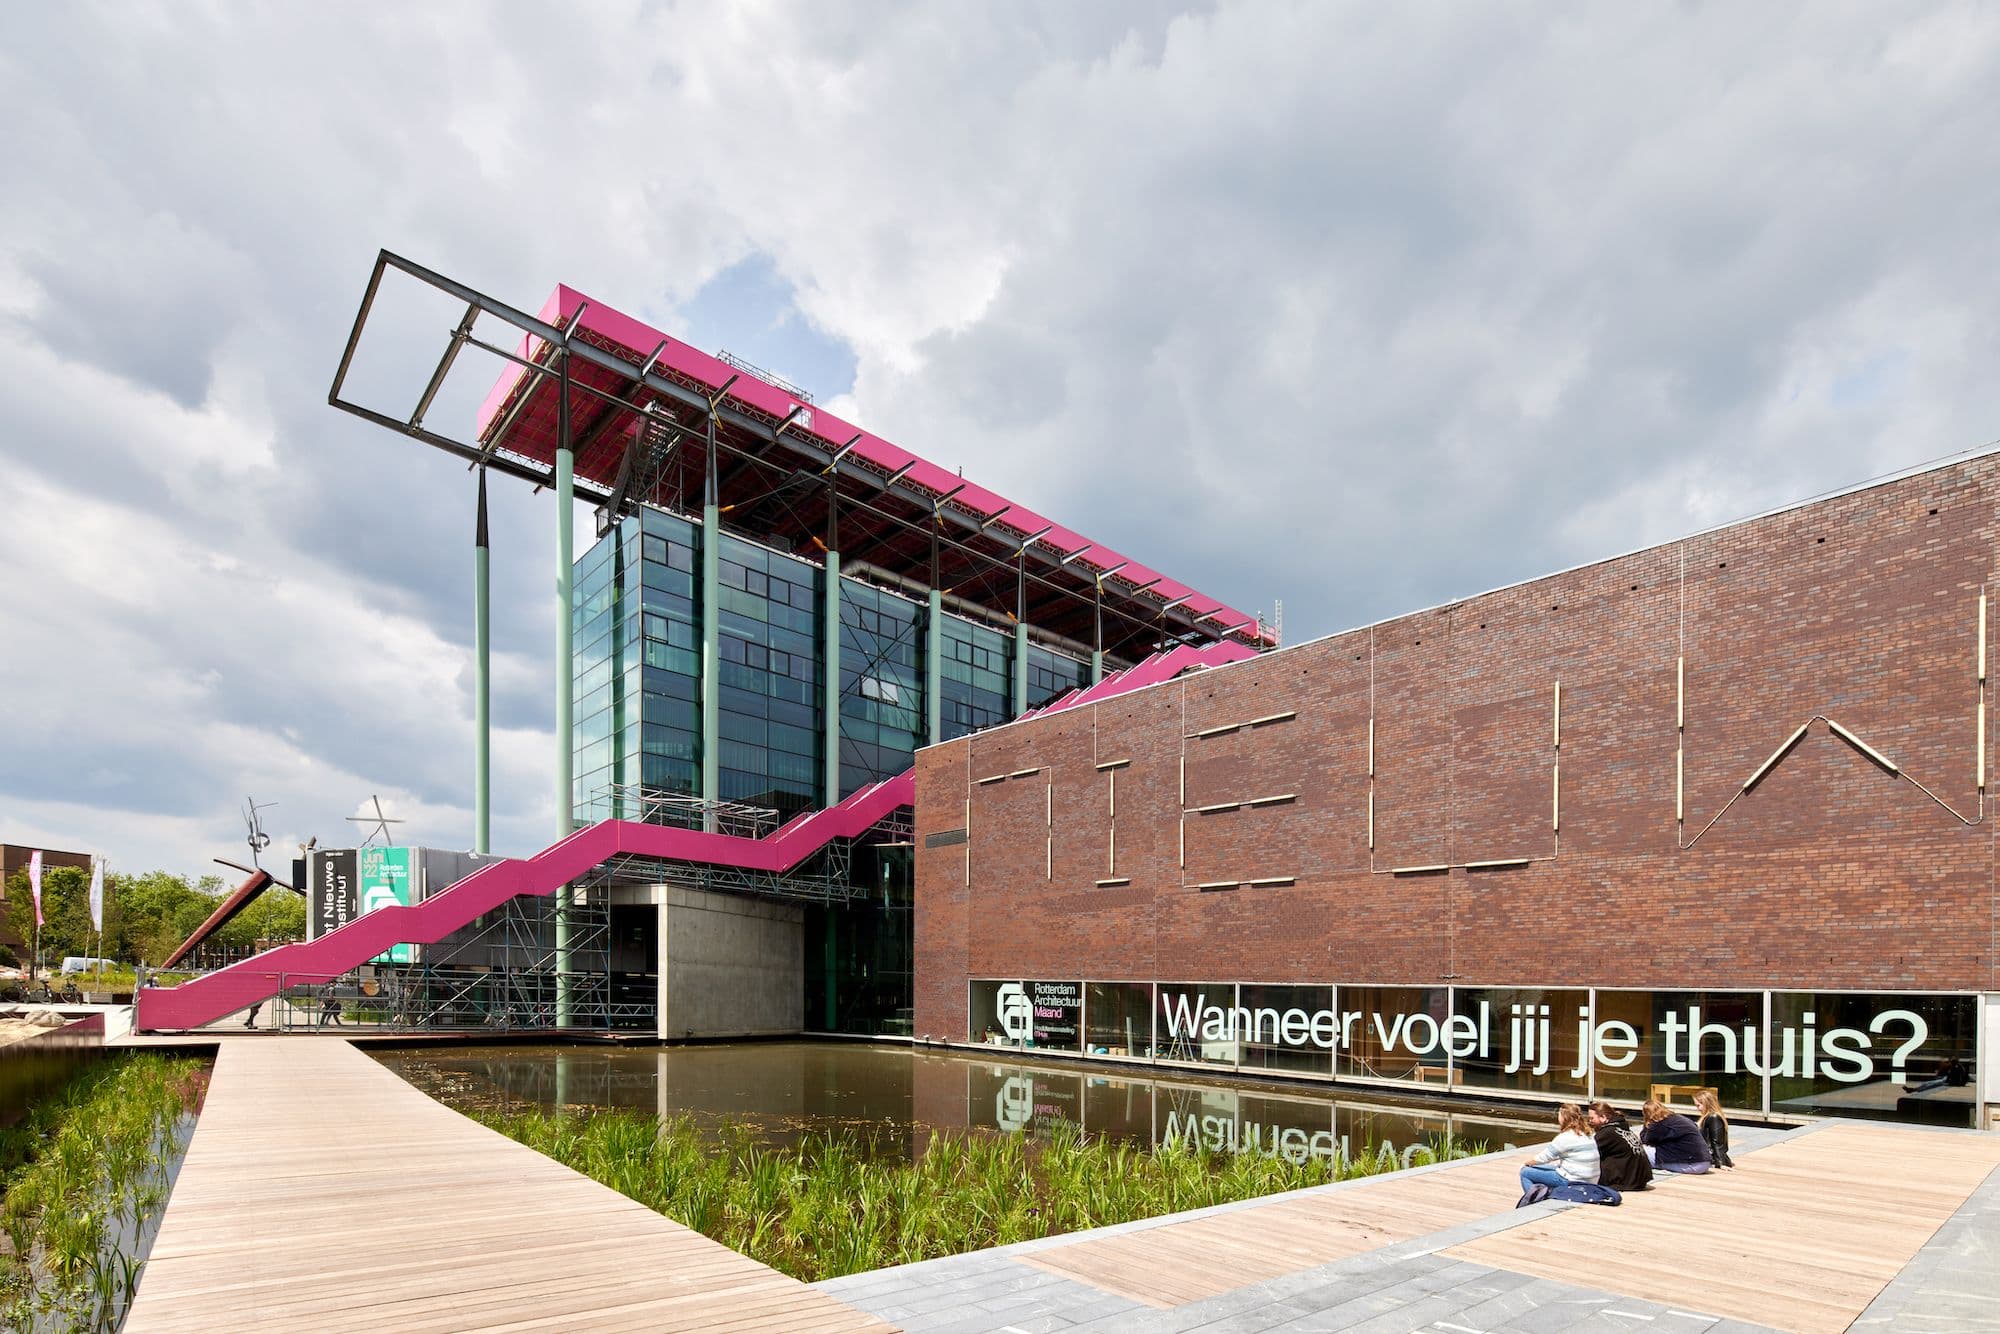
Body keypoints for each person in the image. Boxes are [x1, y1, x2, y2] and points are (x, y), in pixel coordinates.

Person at [1520, 1103, 1600, 1194]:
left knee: (1525, 1172)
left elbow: (1544, 1157)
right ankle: (1548, 1194)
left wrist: (1525, 1163)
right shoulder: (1588, 1134)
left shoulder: (1565, 1137)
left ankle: (1534, 1200)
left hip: (1573, 1180)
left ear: (1563, 1118)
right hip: (1592, 1179)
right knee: (1542, 1167)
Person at [1587, 1101, 1654, 1190]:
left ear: (1603, 1117)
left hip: (1625, 1182)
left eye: (1592, 1118)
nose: (1590, 1122)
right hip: (1639, 1180)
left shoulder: (1607, 1133)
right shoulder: (1622, 1126)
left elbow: (1588, 1152)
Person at [1640, 1099, 1711, 1174]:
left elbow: (1645, 1139)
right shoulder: (1678, 1118)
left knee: (1639, 1151)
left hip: (1693, 1165)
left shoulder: (1659, 1125)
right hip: (1705, 1163)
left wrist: (1647, 1123)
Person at [1692, 1089, 1733, 1170]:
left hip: (1711, 1159)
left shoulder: (1714, 1117)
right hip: (1707, 1156)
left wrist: (1721, 1163)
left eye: (1698, 1105)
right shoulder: (1706, 1117)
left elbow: (1717, 1142)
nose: (1697, 1108)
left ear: (1706, 1104)